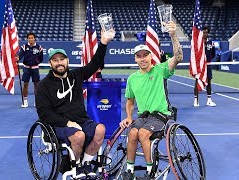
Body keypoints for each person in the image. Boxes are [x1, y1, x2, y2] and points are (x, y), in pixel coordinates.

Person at [35, 29, 114, 179]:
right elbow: (44, 113)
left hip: (81, 121)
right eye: (55, 60)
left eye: (62, 59)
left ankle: (85, 163)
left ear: (67, 60)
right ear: (50, 63)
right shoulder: (44, 85)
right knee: (78, 136)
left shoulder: (76, 75)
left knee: (100, 130)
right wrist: (68, 122)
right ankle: (75, 166)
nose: (59, 63)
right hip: (58, 125)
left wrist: (103, 43)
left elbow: (95, 63)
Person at [119, 21, 183, 179]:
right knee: (132, 133)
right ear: (135, 59)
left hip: (161, 115)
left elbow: (179, 56)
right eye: (139, 56)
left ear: (151, 56)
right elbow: (130, 102)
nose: (142, 59)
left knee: (142, 133)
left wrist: (173, 35)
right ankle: (129, 169)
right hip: (143, 116)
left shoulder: (161, 70)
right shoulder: (132, 79)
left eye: (145, 55)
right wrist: (128, 117)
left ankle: (149, 171)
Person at [193, 26, 216, 107]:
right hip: (199, 66)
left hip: (208, 65)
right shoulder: (197, 42)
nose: (205, 34)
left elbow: (213, 54)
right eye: (204, 32)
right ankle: (196, 101)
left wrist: (207, 59)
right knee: (197, 82)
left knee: (209, 82)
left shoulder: (211, 43)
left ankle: (209, 100)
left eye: (206, 32)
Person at [19, 32, 43, 108]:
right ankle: (25, 101)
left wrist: (36, 63)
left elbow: (41, 58)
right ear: (27, 39)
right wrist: (17, 58)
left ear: (34, 38)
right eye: (29, 38)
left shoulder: (39, 48)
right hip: (26, 69)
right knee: (25, 84)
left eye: (32, 38)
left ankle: (37, 101)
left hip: (35, 69)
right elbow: (20, 56)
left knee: (36, 85)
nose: (31, 39)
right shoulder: (24, 47)